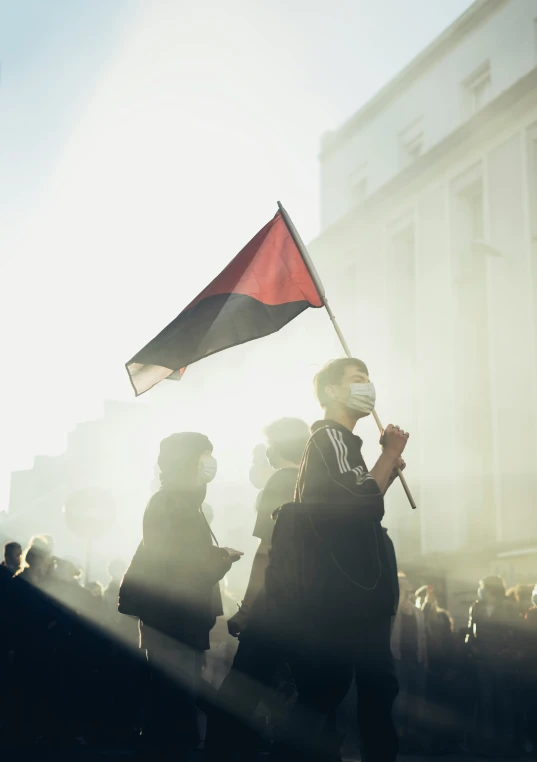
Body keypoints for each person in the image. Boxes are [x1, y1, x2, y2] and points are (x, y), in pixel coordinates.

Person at [265, 357, 408, 762]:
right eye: (357, 379)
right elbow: (358, 502)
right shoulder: (331, 438)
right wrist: (389, 454)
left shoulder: (341, 445)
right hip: (350, 595)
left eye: (368, 378)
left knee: (330, 689)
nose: (367, 386)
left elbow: (350, 506)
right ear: (331, 392)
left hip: (346, 594)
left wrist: (386, 470)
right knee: (362, 687)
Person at [119, 432, 242, 761]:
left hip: (176, 616)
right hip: (173, 615)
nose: (210, 464)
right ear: (185, 461)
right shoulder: (171, 501)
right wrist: (221, 559)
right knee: (173, 693)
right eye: (204, 456)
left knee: (177, 690)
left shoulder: (182, 501)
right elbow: (180, 563)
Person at [205, 418, 310, 761]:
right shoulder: (314, 482)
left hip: (274, 607)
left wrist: (247, 608)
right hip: (309, 605)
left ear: (274, 450)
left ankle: (220, 749)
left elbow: (267, 552)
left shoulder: (281, 481)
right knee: (307, 692)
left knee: (242, 687)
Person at [467, 576, 516, 755]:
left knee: (503, 699)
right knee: (486, 699)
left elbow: (514, 632)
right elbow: (470, 631)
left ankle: (507, 742)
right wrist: (472, 648)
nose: (481, 590)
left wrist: (507, 651)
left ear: (490, 589)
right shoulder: (476, 606)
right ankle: (486, 743)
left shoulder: (507, 607)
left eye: (483, 587)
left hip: (501, 659)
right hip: (482, 659)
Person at [391, 575, 427, 752]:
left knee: (416, 698)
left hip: (416, 660)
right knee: (401, 697)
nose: (409, 592)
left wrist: (424, 658)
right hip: (399, 659)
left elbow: (422, 638)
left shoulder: (417, 612)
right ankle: (399, 734)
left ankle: (413, 734)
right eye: (405, 588)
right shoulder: (394, 611)